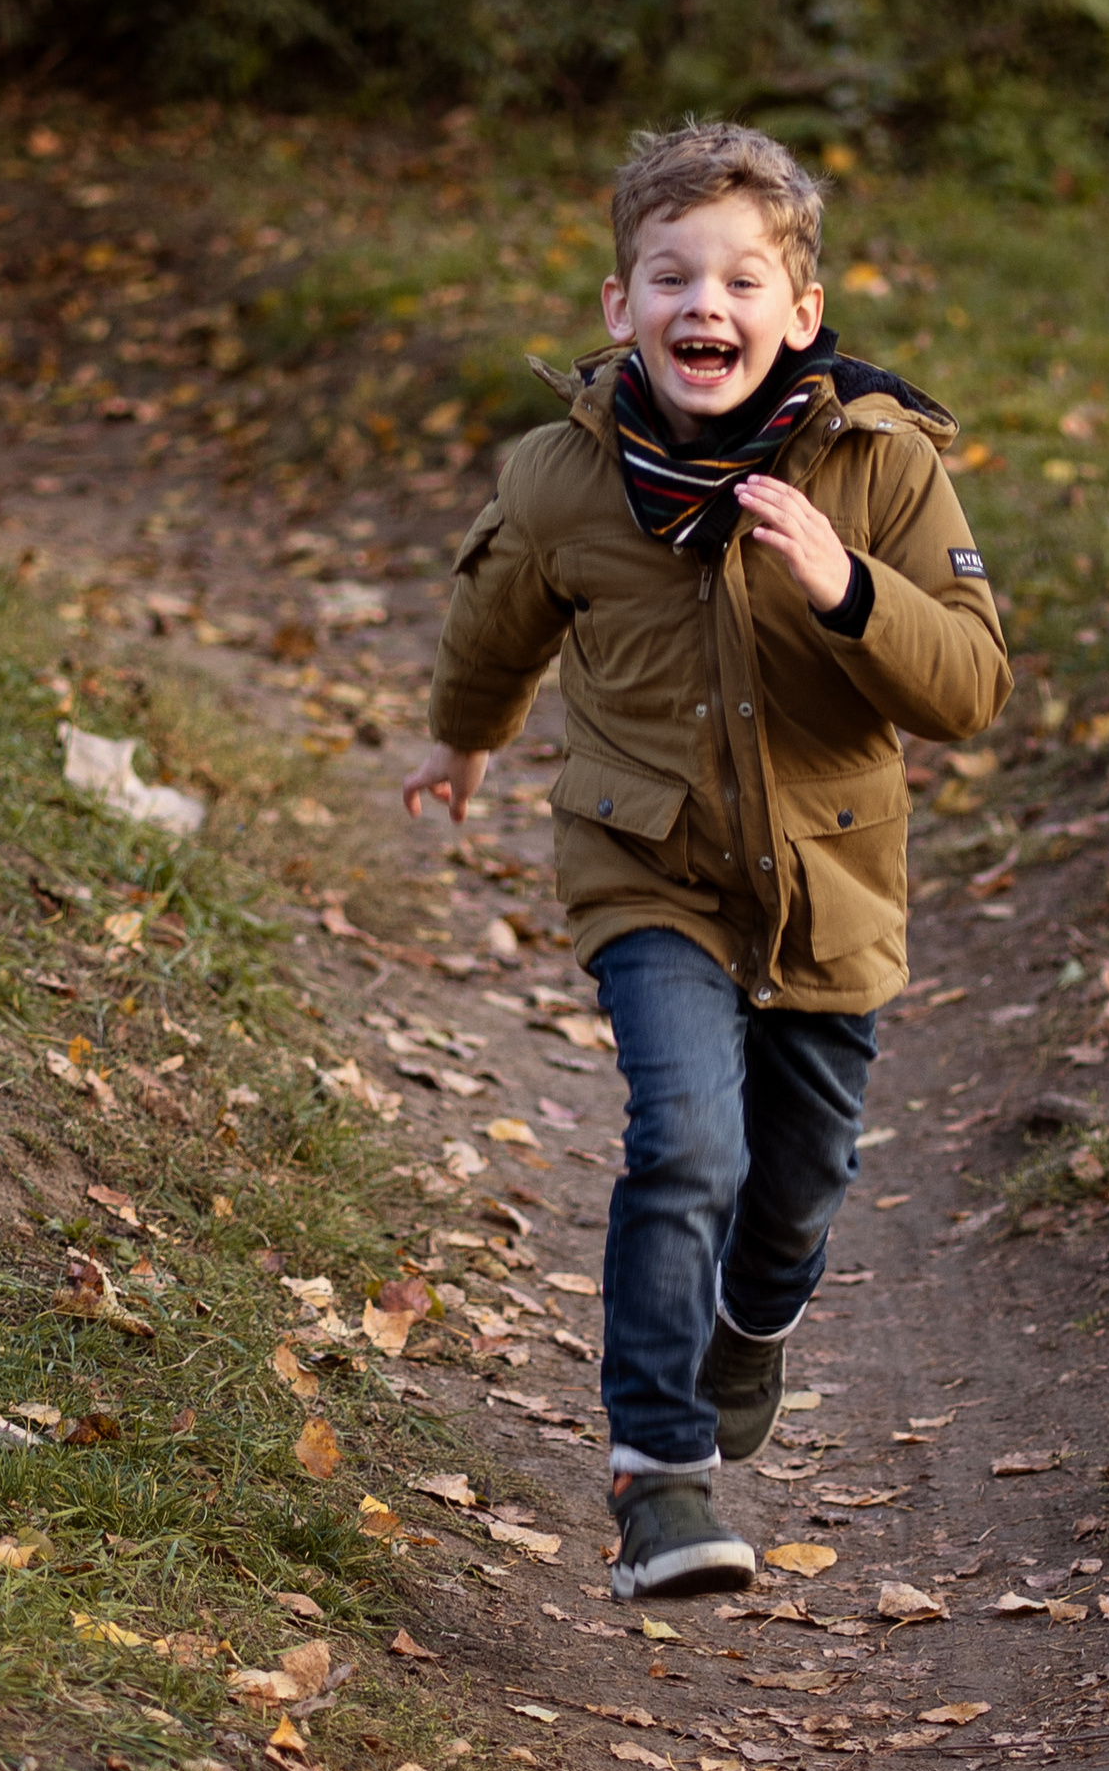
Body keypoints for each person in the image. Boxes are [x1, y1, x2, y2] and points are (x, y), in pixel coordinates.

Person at [402, 121, 1011, 1600]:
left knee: (795, 1193)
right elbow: (495, 625)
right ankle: (659, 1479)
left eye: (743, 280)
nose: (705, 305)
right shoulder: (565, 478)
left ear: (801, 312)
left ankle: (754, 1322)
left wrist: (845, 585)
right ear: (621, 305)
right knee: (686, 1144)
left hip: (828, 886)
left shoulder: (883, 471)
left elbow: (971, 689)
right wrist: (463, 742)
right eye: (672, 276)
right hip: (650, 872)